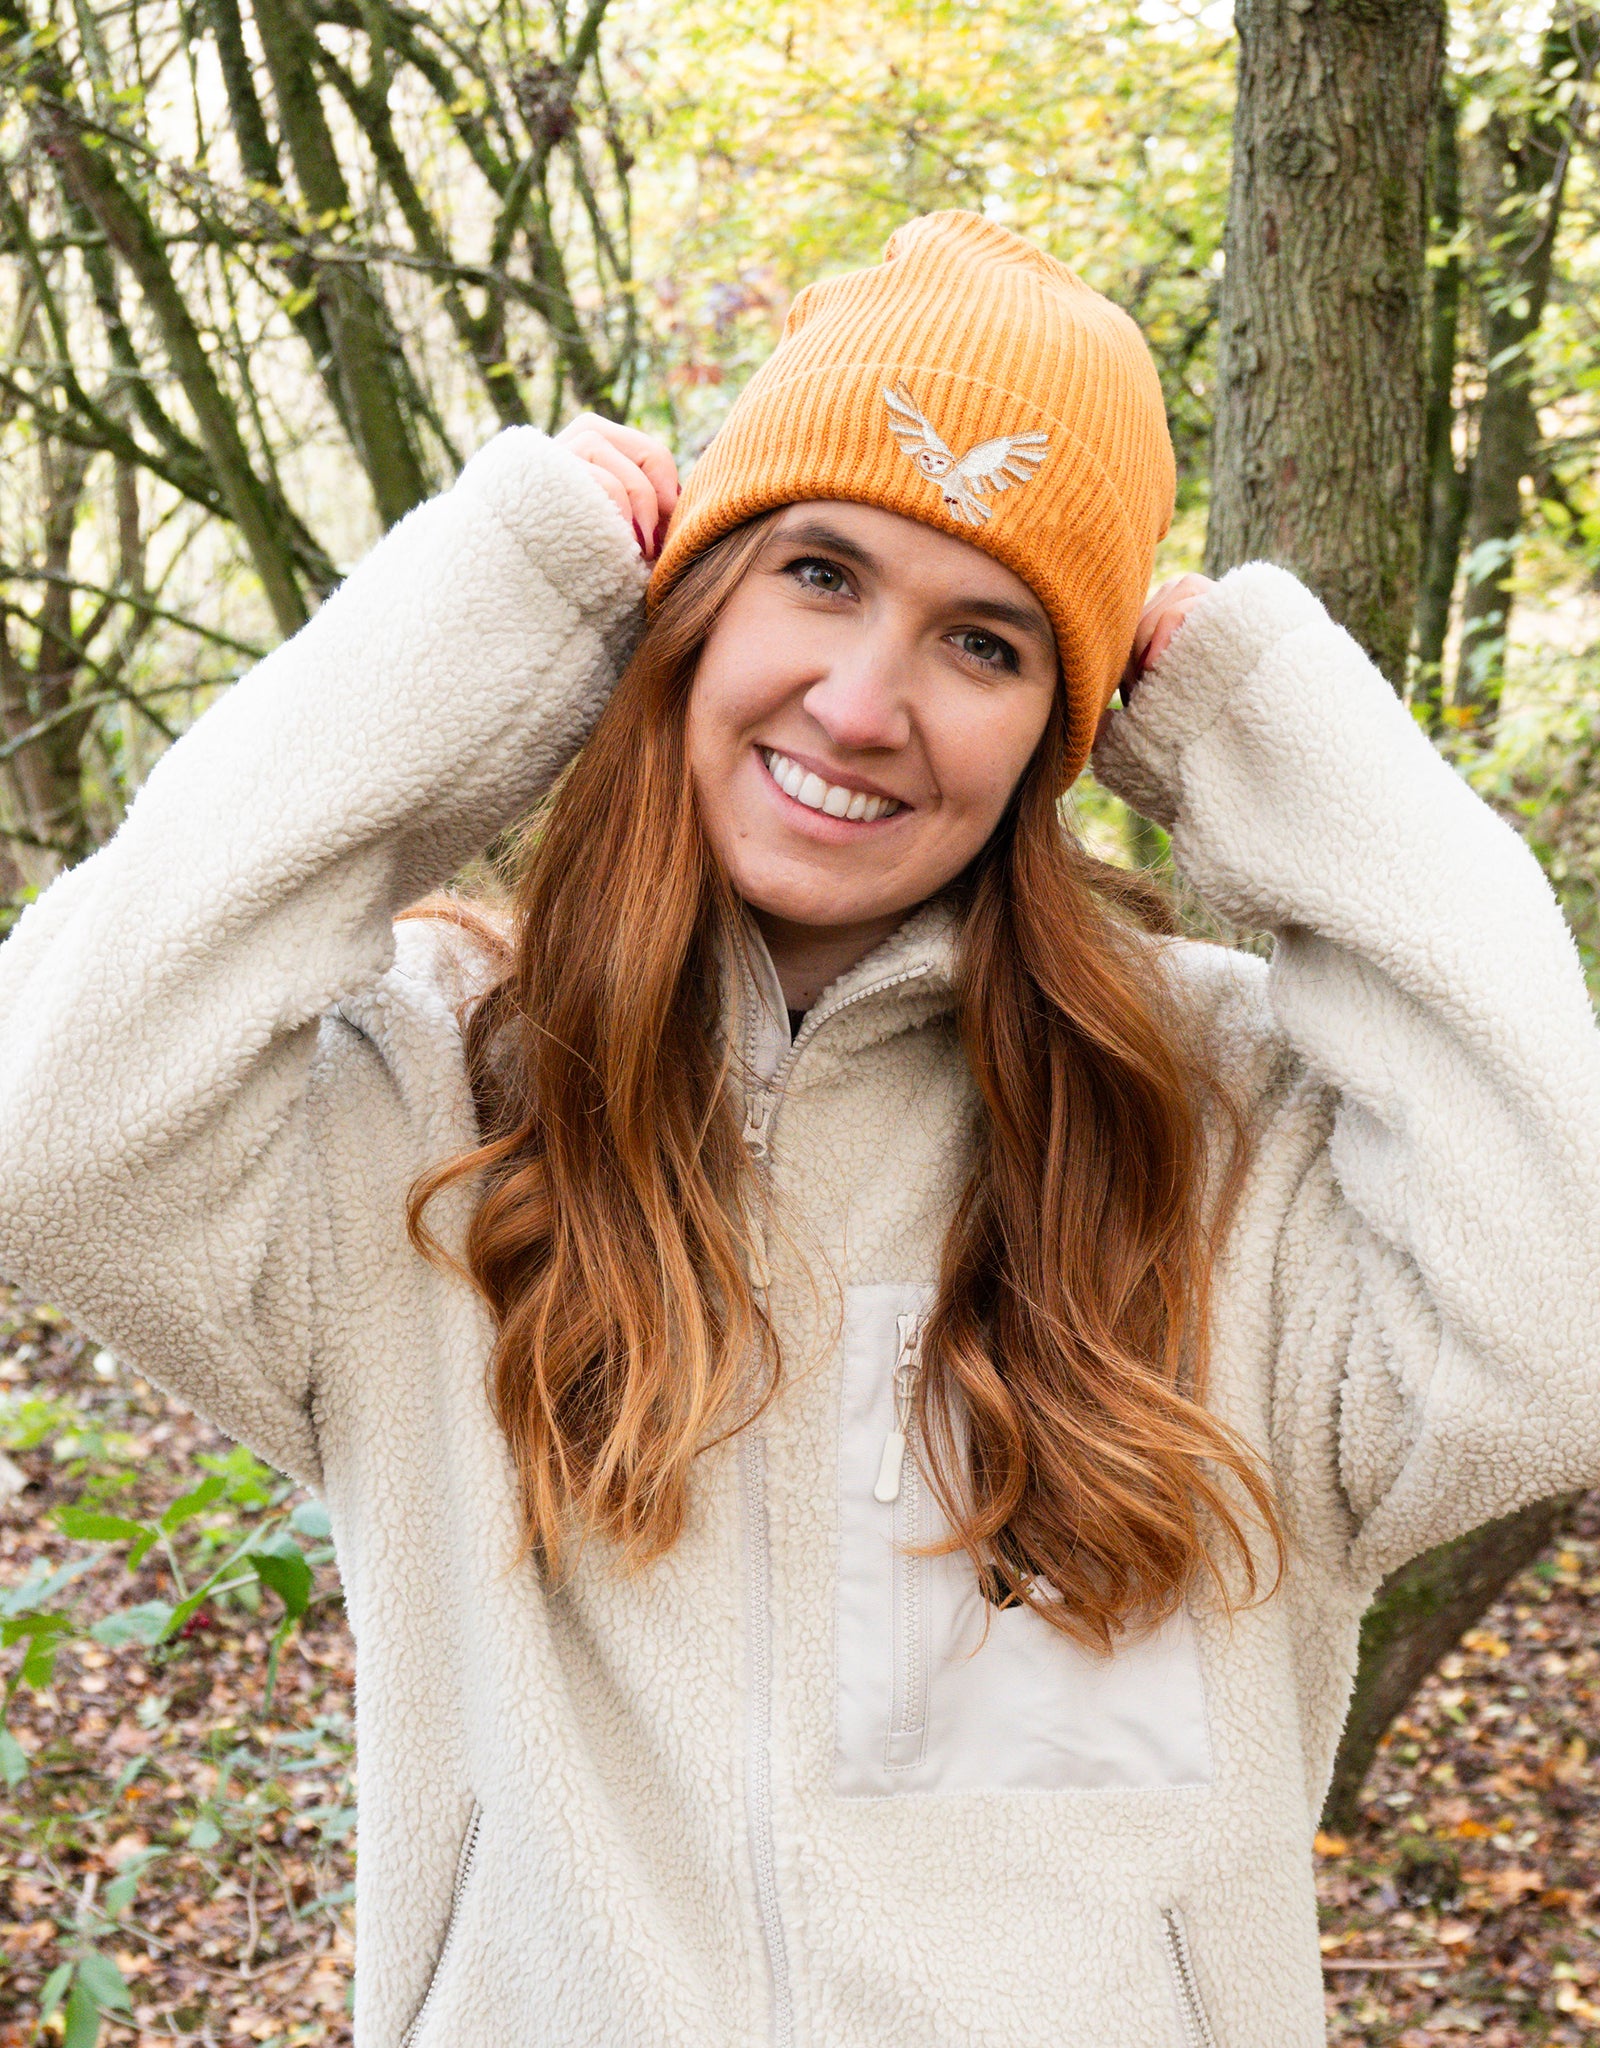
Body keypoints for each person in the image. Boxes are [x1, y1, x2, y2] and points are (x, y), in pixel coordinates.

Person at [1, 210, 1597, 2048]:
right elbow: (52, 1134)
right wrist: (494, 620)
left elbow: (1553, 1348)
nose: (863, 703)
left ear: (1064, 730)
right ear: (691, 601)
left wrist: (1270, 737)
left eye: (986, 642)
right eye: (820, 575)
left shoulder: (1205, 1123)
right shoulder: (431, 1099)